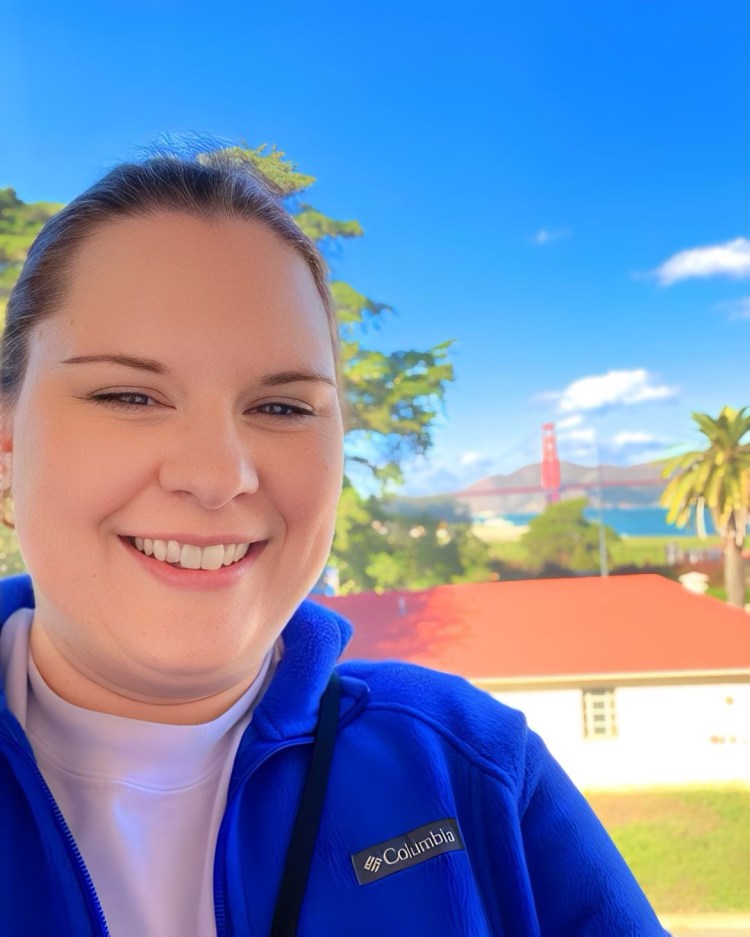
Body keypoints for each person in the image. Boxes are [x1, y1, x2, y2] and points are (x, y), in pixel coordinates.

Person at [0, 151, 669, 937]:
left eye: (282, 407)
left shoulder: (474, 769)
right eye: (129, 394)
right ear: (9, 448)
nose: (217, 476)